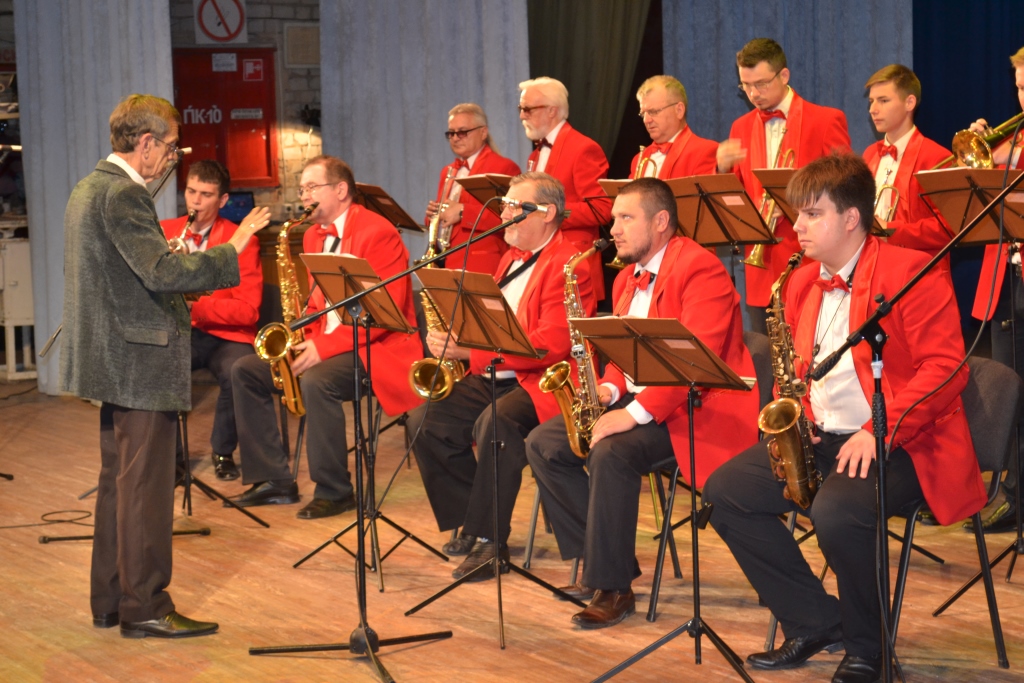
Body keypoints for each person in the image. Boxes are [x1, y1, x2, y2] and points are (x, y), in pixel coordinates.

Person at [702, 153, 986, 683]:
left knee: (836, 513)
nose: (797, 226)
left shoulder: (910, 271)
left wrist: (879, 428)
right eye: (798, 214)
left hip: (905, 440)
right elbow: (803, 370)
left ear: (851, 218)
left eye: (812, 214)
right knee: (725, 492)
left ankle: (868, 649)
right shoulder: (800, 282)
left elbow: (946, 369)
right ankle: (814, 621)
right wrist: (803, 416)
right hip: (823, 435)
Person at [60, 94, 270, 638]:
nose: (174, 157)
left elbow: (126, 276)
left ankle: (111, 600)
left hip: (113, 358)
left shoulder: (88, 187)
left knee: (119, 484)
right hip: (140, 361)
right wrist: (234, 245)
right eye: (172, 146)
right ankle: (146, 606)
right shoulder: (125, 194)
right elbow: (159, 274)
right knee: (146, 490)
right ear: (146, 142)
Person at [525, 177, 759, 628]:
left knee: (611, 453)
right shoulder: (627, 278)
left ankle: (613, 587)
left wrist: (630, 415)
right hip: (643, 400)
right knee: (544, 443)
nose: (613, 229)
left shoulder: (701, 269)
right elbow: (623, 355)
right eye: (614, 218)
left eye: (626, 218)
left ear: (661, 221)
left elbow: (694, 364)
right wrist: (608, 391)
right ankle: (598, 558)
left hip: (694, 407)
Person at [406, 171, 596, 573]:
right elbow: (494, 324)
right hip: (496, 373)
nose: (504, 215)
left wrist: (470, 350)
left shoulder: (571, 264)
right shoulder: (510, 257)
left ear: (547, 213)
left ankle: (490, 542)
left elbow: (549, 344)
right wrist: (457, 332)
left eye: (513, 207)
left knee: (497, 423)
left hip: (540, 383)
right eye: (505, 206)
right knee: (425, 421)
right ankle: (469, 520)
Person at [229, 155, 423, 519]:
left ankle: (335, 491)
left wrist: (323, 347)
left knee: (318, 381)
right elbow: (319, 304)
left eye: (311, 187)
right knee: (245, 370)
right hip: (327, 342)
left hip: (376, 347)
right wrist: (303, 334)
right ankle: (273, 479)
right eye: (302, 189)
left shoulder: (378, 232)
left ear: (341, 190)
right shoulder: (313, 235)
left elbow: (385, 314)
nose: (303, 196)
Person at [717, 38, 851, 331]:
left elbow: (848, 187)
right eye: (746, 85)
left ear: (784, 75)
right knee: (766, 352)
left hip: (810, 261)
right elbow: (734, 200)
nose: (754, 93)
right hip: (761, 268)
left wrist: (800, 204)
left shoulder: (825, 120)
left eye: (761, 84)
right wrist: (721, 170)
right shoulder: (740, 127)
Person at [160, 160, 262, 481]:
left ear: (222, 200)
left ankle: (223, 451)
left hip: (224, 334)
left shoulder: (242, 239)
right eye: (191, 192)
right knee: (157, 366)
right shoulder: (163, 231)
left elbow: (248, 310)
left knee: (238, 370)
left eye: (206, 195)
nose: (196, 201)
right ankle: (173, 462)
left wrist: (197, 308)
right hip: (179, 332)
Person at [969, 46, 1024, 533]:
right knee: (1010, 390)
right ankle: (1013, 495)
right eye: (1020, 87)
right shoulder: (1015, 139)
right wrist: (985, 156)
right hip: (1008, 281)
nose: (1023, 97)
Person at [519, 77, 611, 300]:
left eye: (528, 109)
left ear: (552, 110)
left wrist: (552, 212)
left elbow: (601, 209)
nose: (522, 115)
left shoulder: (583, 148)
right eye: (520, 109)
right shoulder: (535, 153)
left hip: (575, 263)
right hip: (543, 260)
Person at [861, 64, 952, 257]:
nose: (872, 109)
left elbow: (948, 228)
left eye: (883, 101)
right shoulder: (869, 154)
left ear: (909, 103)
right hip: (872, 263)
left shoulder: (936, 157)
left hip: (918, 268)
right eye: (871, 101)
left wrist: (891, 231)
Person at [425, 103, 521, 276]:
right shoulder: (448, 171)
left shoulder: (503, 167)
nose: (455, 138)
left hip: (481, 264)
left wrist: (463, 212)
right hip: (447, 263)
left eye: (462, 132)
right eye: (451, 133)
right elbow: (445, 218)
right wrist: (435, 215)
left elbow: (511, 219)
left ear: (483, 132)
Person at [629, 75, 718, 179]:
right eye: (643, 114)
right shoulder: (638, 159)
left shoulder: (705, 152)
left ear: (679, 110)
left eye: (653, 112)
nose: (646, 120)